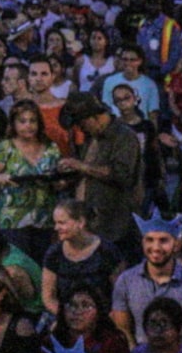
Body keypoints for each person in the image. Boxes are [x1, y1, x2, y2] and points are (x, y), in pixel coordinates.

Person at [112, 211, 182, 348]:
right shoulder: (126, 281)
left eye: (163, 240)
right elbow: (123, 330)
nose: (156, 248)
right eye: (150, 240)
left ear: (176, 244)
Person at [58, 91, 142, 258]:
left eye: (82, 124)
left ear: (93, 118)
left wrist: (81, 166)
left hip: (114, 222)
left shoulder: (124, 137)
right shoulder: (90, 139)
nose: (81, 129)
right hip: (88, 221)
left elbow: (121, 174)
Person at [0, 98, 61, 257]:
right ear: (13, 124)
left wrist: (60, 181)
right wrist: (0, 179)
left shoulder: (51, 147)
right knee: (18, 265)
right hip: (13, 219)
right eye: (23, 121)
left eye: (33, 121)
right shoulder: (6, 147)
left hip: (44, 218)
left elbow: (58, 181)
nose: (28, 125)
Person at [42, 198, 123, 317]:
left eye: (62, 223)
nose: (56, 228)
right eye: (55, 223)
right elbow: (48, 297)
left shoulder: (107, 251)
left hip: (101, 318)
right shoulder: (54, 253)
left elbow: (120, 295)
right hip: (66, 317)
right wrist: (67, 316)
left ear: (80, 222)